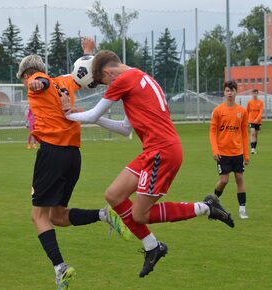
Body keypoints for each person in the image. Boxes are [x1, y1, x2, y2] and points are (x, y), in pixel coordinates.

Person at [65, 50, 234, 278]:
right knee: (114, 195)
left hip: (161, 152)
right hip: (153, 151)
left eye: (105, 82)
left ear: (108, 72)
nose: (108, 87)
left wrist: (68, 114)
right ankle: (152, 247)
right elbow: (126, 129)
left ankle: (206, 207)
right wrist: (84, 115)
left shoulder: (122, 80)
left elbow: (93, 115)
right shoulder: (140, 77)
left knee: (140, 214)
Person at [16, 39, 130, 290]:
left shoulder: (37, 79)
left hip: (53, 153)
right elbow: (85, 73)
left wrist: (36, 82)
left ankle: (60, 268)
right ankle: (104, 215)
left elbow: (40, 82)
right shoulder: (66, 81)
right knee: (57, 216)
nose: (26, 83)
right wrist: (88, 52)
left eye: (24, 78)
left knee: (37, 216)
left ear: (27, 73)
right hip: (72, 156)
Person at [210, 80, 250, 220]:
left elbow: (245, 134)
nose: (230, 93)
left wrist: (246, 155)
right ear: (224, 92)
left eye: (232, 90)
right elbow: (212, 132)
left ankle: (242, 209)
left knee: (239, 178)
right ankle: (212, 202)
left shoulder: (242, 111)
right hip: (223, 153)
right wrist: (215, 150)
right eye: (227, 90)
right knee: (224, 180)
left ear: (236, 92)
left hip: (237, 152)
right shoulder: (218, 110)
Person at [246, 89, 264, 154]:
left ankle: (254, 148)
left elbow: (261, 112)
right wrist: (246, 120)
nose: (254, 95)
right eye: (253, 93)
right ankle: (252, 149)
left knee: (256, 135)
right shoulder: (249, 102)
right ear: (252, 94)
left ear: (257, 94)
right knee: (252, 133)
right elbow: (247, 111)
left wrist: (257, 119)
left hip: (258, 121)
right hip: (251, 120)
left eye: (256, 93)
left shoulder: (261, 102)